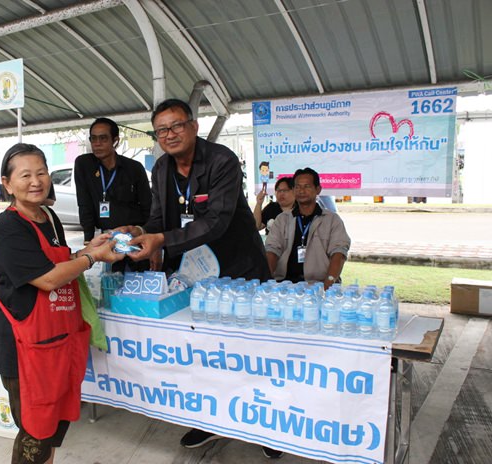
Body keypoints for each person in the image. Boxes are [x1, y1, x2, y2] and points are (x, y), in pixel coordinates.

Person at [120, 99, 280, 458]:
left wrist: (162, 240)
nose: (169, 135)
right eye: (161, 130)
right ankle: (209, 420)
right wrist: (141, 230)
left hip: (241, 269)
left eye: (176, 126)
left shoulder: (221, 160)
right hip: (196, 275)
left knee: (254, 351)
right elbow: (159, 219)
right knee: (205, 350)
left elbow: (216, 222)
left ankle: (269, 426)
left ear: (193, 126)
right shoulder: (161, 168)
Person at [0, 143, 123, 464]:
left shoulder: (47, 216)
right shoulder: (8, 227)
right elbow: (47, 279)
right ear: (7, 183)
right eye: (25, 176)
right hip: (23, 349)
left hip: (54, 343)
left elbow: (58, 261)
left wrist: (86, 249)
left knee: (51, 429)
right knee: (35, 433)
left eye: (41, 173)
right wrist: (92, 258)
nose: (36, 181)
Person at [74, 117, 152, 272]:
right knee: (109, 285)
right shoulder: (84, 165)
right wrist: (88, 240)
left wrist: (148, 237)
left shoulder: (134, 168)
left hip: (134, 238)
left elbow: (148, 207)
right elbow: (84, 203)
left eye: (103, 138)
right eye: (93, 138)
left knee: (137, 281)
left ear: (115, 140)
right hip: (106, 240)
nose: (97, 143)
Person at [265, 167, 350, 288]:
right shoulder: (282, 219)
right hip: (286, 285)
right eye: (298, 187)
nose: (301, 191)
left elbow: (339, 253)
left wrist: (329, 284)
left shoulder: (332, 220)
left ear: (318, 189)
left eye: (307, 186)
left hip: (319, 285)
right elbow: (272, 250)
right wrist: (266, 280)